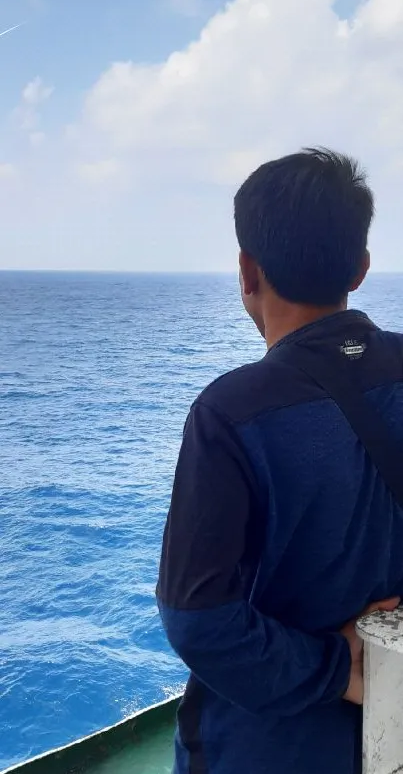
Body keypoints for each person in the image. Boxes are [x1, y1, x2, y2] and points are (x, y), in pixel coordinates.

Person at [156, 148, 403, 774]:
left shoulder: (230, 413)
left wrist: (338, 670)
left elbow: (199, 622)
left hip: (274, 745)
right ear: (361, 267)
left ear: (246, 270)